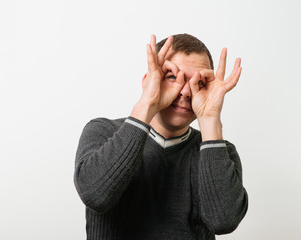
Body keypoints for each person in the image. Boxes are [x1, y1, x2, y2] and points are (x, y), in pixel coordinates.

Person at [74, 33, 248, 240]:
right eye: (172, 77)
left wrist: (210, 118)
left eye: (199, 83)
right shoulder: (103, 131)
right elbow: (96, 197)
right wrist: (147, 104)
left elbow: (223, 221)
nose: (185, 92)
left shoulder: (220, 150)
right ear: (149, 81)